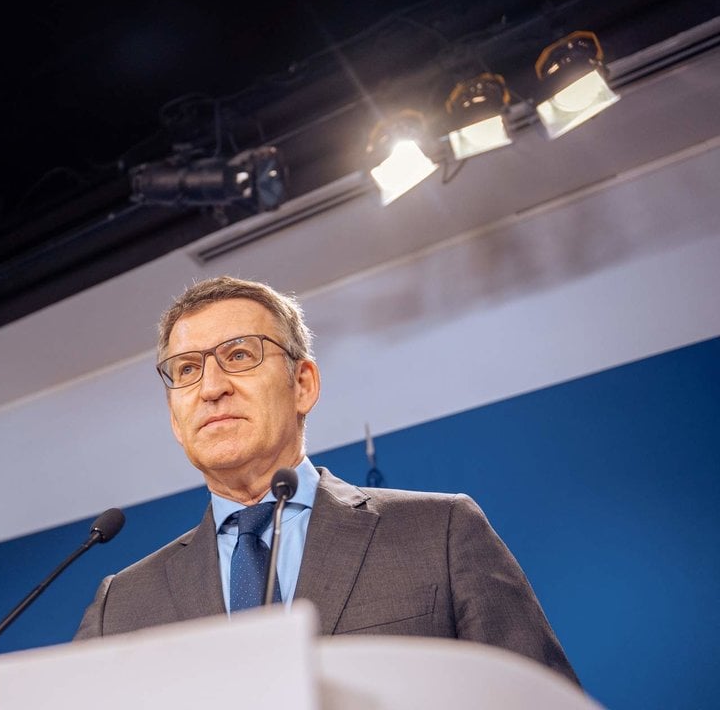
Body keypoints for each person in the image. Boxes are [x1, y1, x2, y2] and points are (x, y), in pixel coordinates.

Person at [74, 275, 578, 684]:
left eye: (239, 356)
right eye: (186, 369)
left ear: (303, 384)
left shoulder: (439, 532)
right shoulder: (121, 605)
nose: (211, 388)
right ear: (173, 416)